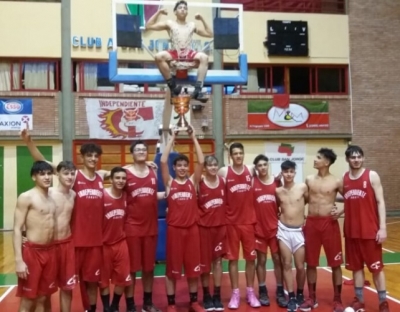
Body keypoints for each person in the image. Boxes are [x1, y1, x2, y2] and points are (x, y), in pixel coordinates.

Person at [20, 127, 107, 312]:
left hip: (70, 243)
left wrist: (146, 162)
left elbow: (120, 173)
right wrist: (28, 142)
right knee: (45, 290)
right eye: (89, 155)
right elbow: (41, 162)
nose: (93, 158)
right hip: (50, 245)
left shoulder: (81, 188)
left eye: (95, 156)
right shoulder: (60, 184)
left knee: (68, 287)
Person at [333, 145, 390, 312]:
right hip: (351, 232)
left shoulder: (371, 175)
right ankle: (359, 300)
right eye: (353, 157)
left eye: (359, 157)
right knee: (356, 268)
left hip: (370, 232)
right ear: (347, 159)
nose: (356, 160)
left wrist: (383, 228)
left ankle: (383, 302)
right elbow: (351, 199)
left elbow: (380, 202)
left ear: (363, 158)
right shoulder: (345, 178)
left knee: (376, 269)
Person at [160, 126, 204, 312]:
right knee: (172, 271)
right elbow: (162, 160)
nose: (183, 168)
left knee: (193, 270)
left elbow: (201, 160)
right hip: (175, 231)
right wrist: (172, 137)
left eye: (185, 165)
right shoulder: (169, 183)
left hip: (192, 230)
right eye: (179, 166)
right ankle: (171, 304)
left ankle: (193, 302)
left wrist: (193, 137)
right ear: (174, 168)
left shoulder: (193, 182)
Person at [300, 148, 344, 312]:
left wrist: (339, 211)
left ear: (326, 162)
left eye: (318, 157)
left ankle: (337, 300)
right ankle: (311, 297)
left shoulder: (337, 181)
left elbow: (352, 197)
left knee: (335, 263)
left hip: (329, 225)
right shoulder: (309, 179)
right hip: (311, 223)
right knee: (310, 263)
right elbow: (302, 200)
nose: (315, 159)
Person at [217, 142, 261, 309]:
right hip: (231, 223)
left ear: (243, 154)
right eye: (235, 153)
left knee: (251, 259)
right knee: (233, 260)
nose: (238, 156)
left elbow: (265, 175)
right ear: (230, 156)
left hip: (249, 222)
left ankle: (250, 292)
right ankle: (235, 293)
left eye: (240, 153)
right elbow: (207, 180)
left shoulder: (250, 170)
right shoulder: (223, 171)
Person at [124, 140, 165, 312]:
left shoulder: (152, 171)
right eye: (138, 149)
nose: (141, 152)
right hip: (132, 227)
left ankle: (147, 302)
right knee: (132, 269)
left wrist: (174, 191)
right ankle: (131, 305)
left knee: (149, 268)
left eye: (143, 149)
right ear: (132, 153)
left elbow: (151, 195)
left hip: (150, 227)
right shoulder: (126, 172)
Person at [145, 0, 213, 101]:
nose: (183, 9)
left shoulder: (192, 25)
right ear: (175, 12)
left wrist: (202, 18)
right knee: (158, 56)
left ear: (187, 12)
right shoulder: (170, 23)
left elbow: (210, 33)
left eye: (185, 8)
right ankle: (173, 87)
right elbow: (149, 26)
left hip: (189, 53)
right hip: (175, 53)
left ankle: (197, 91)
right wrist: (158, 12)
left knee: (204, 57)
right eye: (180, 8)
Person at [13, 161, 58, 312]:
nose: (46, 177)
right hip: (32, 253)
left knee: (43, 297)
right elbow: (17, 229)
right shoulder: (26, 197)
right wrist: (19, 260)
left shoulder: (52, 198)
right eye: (42, 174)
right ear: (34, 177)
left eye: (49, 173)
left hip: (50, 252)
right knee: (28, 298)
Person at [252, 154, 287, 308]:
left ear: (268, 165)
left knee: (277, 260)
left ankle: (280, 290)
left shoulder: (277, 182)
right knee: (261, 261)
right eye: (259, 165)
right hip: (258, 229)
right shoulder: (252, 182)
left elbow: (283, 201)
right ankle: (262, 289)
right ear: (256, 168)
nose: (263, 168)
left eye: (265, 164)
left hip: (274, 228)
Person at [276, 160, 308, 312]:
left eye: (291, 171)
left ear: (295, 172)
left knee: (301, 266)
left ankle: (301, 292)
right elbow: (276, 207)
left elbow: (309, 201)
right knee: (287, 264)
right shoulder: (278, 191)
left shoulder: (302, 187)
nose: (288, 174)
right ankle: (292, 296)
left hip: (298, 231)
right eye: (285, 171)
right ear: (281, 173)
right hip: (283, 230)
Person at [99, 167, 132, 312]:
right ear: (111, 179)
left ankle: (114, 306)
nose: (120, 181)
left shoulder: (125, 196)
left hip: (120, 243)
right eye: (117, 178)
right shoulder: (102, 195)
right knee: (103, 280)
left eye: (123, 178)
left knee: (124, 278)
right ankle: (106, 308)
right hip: (103, 244)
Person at [197, 155, 227, 311]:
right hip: (204, 228)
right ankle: (206, 295)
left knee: (218, 262)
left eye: (215, 165)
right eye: (210, 165)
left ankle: (217, 295)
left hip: (220, 228)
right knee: (205, 264)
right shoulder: (199, 183)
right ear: (205, 168)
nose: (213, 168)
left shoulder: (223, 182)